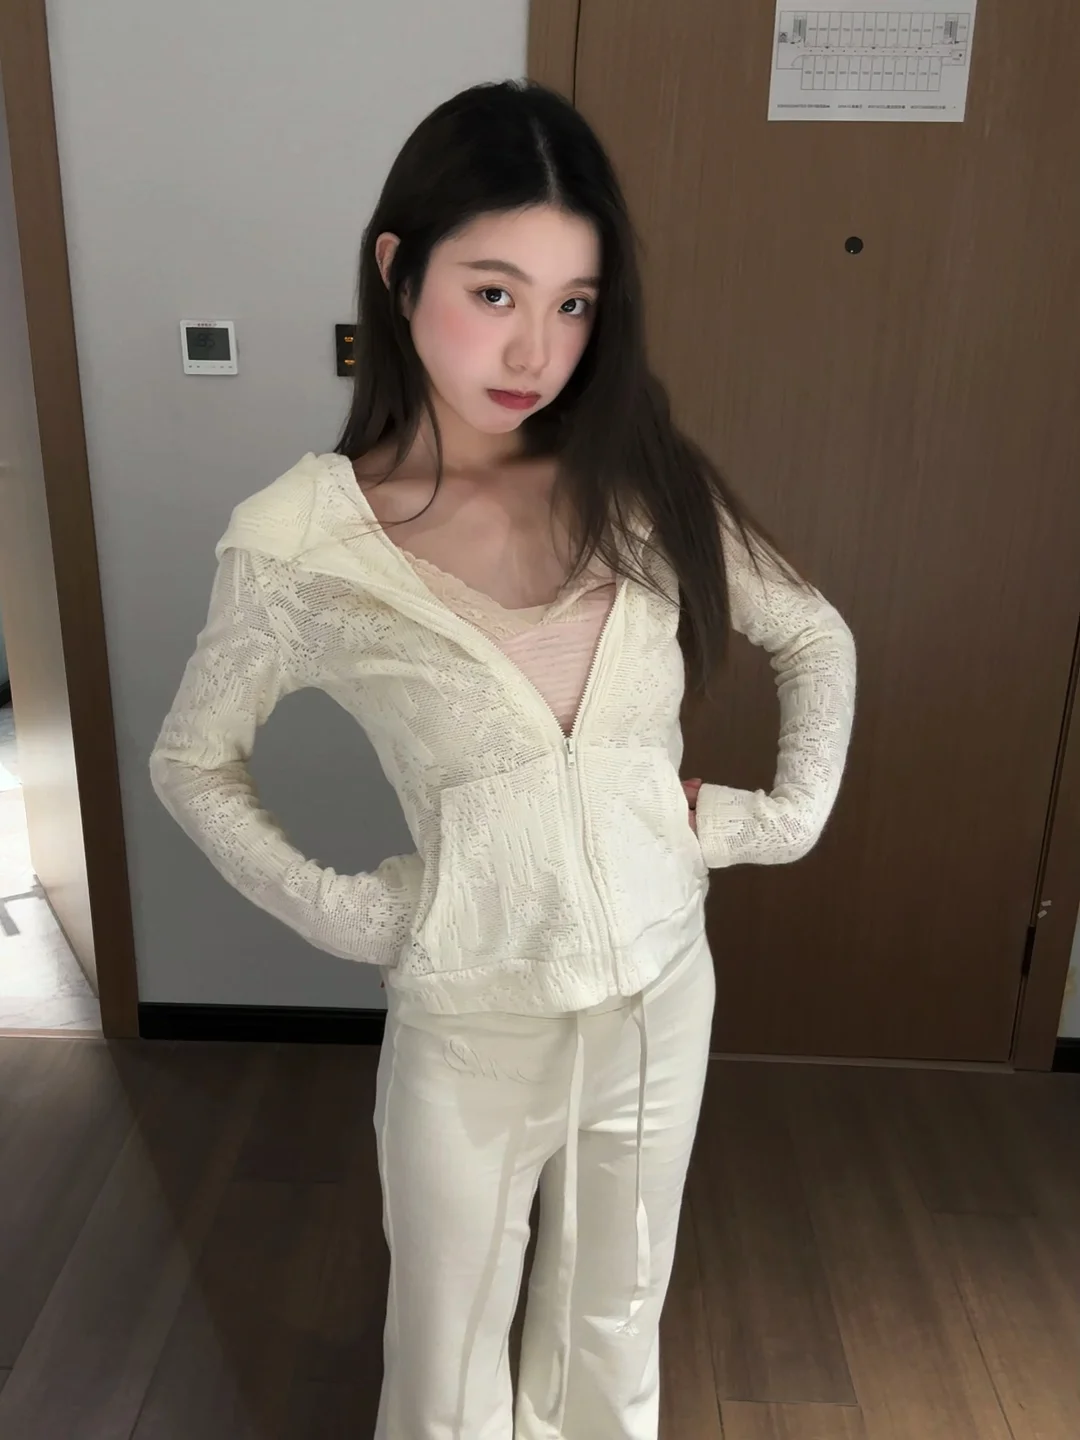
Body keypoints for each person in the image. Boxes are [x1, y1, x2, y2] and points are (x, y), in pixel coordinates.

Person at [150, 79, 856, 1440]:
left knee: (616, 1320)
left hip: (661, 993)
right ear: (397, 270)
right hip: (473, 1019)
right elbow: (194, 764)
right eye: (494, 292)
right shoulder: (303, 541)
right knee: (448, 1353)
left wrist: (774, 822)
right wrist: (361, 914)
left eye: (574, 302)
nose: (536, 347)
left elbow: (812, 633)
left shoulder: (637, 474)